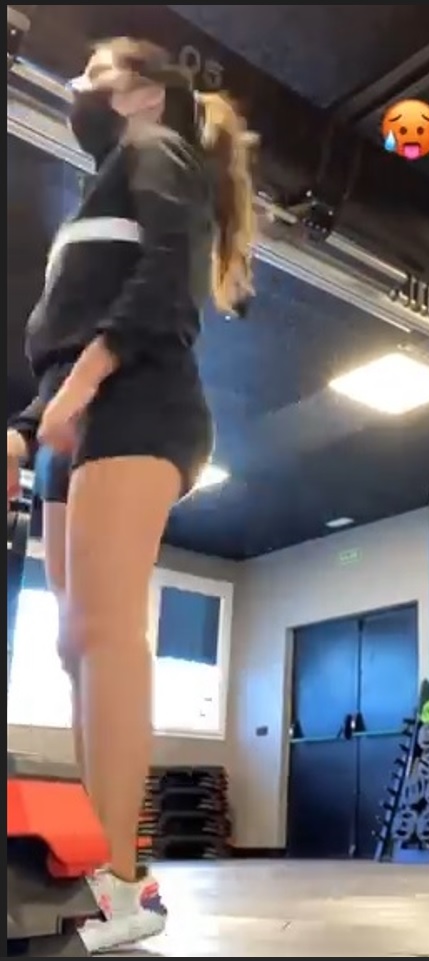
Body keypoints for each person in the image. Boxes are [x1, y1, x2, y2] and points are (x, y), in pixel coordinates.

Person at [6, 37, 257, 953]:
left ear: (146, 93)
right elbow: (63, 338)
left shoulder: (158, 149)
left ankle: (118, 881)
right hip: (76, 416)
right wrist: (23, 429)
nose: (77, 82)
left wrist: (77, 391)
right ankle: (97, 863)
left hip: (139, 400)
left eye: (95, 69)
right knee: (74, 642)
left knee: (103, 630)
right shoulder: (102, 186)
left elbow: (167, 284)